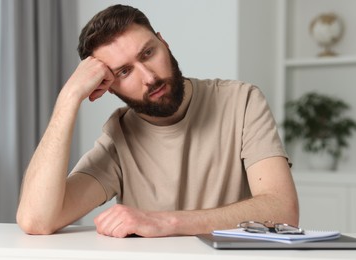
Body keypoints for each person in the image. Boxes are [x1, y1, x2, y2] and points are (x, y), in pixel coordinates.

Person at [16, 4, 299, 238]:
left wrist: (166, 222)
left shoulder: (242, 101)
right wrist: (68, 99)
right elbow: (36, 220)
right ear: (108, 86)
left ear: (164, 42)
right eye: (125, 72)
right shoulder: (119, 137)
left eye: (148, 53)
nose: (149, 77)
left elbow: (283, 208)